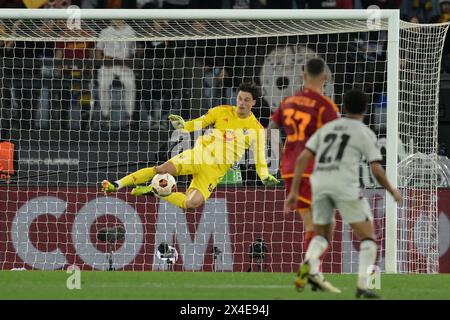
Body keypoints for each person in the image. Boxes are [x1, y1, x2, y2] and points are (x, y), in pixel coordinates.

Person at [285, 88, 402, 298]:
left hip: (319, 183)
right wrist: (392, 190)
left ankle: (309, 265)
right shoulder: (364, 132)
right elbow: (376, 169)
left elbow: (302, 159)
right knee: (368, 238)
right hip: (344, 185)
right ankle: (363, 286)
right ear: (365, 109)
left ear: (344, 108)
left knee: (322, 235)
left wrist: (293, 192)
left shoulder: (328, 128)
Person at [101, 82, 279, 209]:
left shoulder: (257, 129)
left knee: (191, 203)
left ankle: (157, 191)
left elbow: (260, 158)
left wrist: (264, 176)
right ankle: (116, 185)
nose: (241, 103)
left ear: (253, 103)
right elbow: (199, 123)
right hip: (199, 155)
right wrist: (183, 125)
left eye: (246, 100)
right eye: (240, 98)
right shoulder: (221, 111)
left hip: (215, 171)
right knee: (162, 169)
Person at [268, 57, 340, 251]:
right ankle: (310, 269)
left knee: (315, 225)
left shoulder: (288, 102)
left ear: (303, 76)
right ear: (325, 77)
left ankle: (311, 270)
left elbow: (271, 130)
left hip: (290, 169)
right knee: (324, 225)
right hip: (313, 169)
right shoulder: (326, 106)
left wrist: (283, 156)